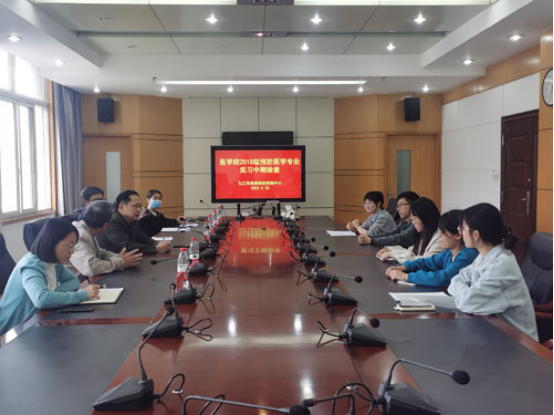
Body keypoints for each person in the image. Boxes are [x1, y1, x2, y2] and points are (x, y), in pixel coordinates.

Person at [448, 203, 538, 341]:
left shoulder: (502, 264)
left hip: (519, 344)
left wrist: (464, 294)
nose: (460, 232)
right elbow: (455, 281)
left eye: (462, 228)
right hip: (493, 333)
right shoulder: (484, 256)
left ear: (476, 234)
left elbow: (467, 303)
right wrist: (466, 293)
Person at [0, 219, 100, 335]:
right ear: (52, 241)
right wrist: (83, 295)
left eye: (74, 246)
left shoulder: (53, 262)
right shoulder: (31, 266)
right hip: (10, 331)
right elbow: (42, 300)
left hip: (32, 323)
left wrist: (52, 294)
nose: (72, 251)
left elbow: (74, 281)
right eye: (69, 245)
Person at [385, 210, 479, 287]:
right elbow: (426, 262)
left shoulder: (467, 255)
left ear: (458, 235)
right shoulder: (449, 253)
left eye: (443, 232)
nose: (439, 236)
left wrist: (405, 276)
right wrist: (403, 267)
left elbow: (443, 278)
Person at [68, 201, 143, 279]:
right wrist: (121, 262)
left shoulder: (87, 229)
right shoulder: (80, 235)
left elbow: (99, 253)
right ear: (106, 225)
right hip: (75, 283)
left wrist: (118, 257)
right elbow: (90, 268)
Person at [97, 190, 171, 255]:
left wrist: (156, 243)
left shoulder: (132, 219)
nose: (139, 210)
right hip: (110, 260)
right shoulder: (112, 221)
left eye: (140, 206)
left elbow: (141, 237)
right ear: (121, 207)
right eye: (135, 206)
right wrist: (155, 248)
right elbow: (126, 246)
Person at [377, 197, 443, 263]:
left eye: (414, 219)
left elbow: (423, 262)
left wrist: (392, 254)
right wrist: (390, 249)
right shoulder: (423, 235)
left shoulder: (439, 238)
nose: (413, 223)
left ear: (425, 218)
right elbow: (410, 252)